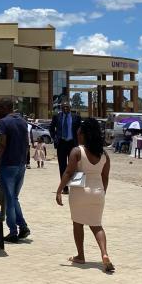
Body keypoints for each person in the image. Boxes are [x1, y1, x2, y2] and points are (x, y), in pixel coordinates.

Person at [55, 117, 114, 273]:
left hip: (79, 192)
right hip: (98, 192)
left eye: (79, 132)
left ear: (84, 134)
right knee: (97, 225)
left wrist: (60, 190)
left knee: (77, 223)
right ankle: (105, 254)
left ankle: (80, 256)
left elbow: (68, 172)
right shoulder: (104, 155)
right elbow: (105, 177)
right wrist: (102, 192)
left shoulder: (77, 151)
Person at [0, 98, 30, 243]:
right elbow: (26, 142)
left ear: (5, 108)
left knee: (8, 199)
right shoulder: (22, 121)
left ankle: (13, 231)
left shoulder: (4, 122)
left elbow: (2, 145)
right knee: (14, 198)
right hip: (20, 165)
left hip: (7, 165)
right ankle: (23, 227)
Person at [49, 102, 81, 189]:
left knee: (76, 165)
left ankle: (76, 186)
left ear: (70, 107)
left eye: (67, 107)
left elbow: (80, 130)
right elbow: (51, 128)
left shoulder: (76, 117)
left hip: (73, 144)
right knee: (62, 166)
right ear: (61, 108)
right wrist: (55, 138)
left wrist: (80, 142)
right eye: (63, 107)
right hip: (61, 143)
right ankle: (65, 187)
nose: (65, 109)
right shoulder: (57, 117)